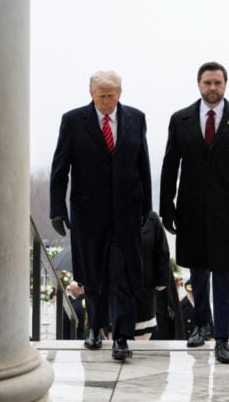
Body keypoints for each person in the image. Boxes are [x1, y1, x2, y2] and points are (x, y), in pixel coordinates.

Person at [160, 61, 229, 364]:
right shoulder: (181, 120)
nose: (212, 88)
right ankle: (200, 326)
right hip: (190, 210)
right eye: (207, 83)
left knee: (222, 273)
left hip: (226, 212)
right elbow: (169, 165)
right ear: (199, 84)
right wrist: (167, 206)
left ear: (225, 85)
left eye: (217, 83)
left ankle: (222, 338)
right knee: (198, 271)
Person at [50, 70, 152, 361]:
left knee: (124, 273)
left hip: (127, 212)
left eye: (111, 95)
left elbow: (142, 162)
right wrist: (57, 209)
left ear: (120, 92)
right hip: (88, 213)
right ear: (91, 93)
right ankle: (95, 327)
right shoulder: (73, 121)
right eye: (101, 95)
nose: (106, 101)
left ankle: (121, 336)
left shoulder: (136, 118)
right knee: (93, 273)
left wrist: (147, 206)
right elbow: (61, 166)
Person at [134, 211, 170, 340]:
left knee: (142, 334)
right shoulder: (113, 211)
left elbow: (162, 250)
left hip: (145, 288)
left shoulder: (152, 218)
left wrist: (162, 279)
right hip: (119, 286)